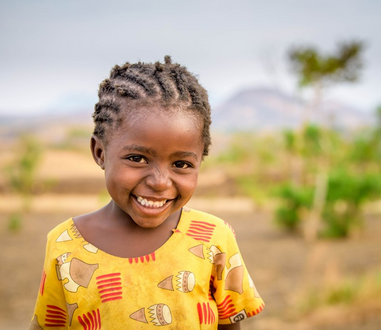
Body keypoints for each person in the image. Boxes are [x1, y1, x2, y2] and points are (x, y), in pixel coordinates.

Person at [30, 56, 264, 329]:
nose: (160, 182)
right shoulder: (65, 245)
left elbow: (229, 324)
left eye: (181, 164)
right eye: (138, 158)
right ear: (100, 152)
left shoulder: (214, 237)